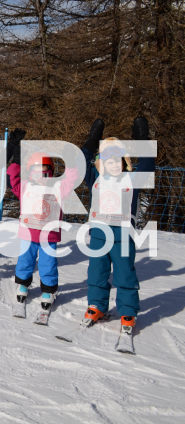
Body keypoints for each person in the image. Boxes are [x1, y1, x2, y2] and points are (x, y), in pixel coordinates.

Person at [81, 117, 154, 342]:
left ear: (124, 162)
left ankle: (128, 312)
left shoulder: (132, 179)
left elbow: (148, 164)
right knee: (97, 272)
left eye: (118, 161)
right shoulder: (95, 177)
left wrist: (142, 140)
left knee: (125, 275)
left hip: (123, 237)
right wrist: (93, 140)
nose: (114, 165)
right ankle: (97, 305)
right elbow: (80, 161)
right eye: (109, 161)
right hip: (99, 235)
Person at [6, 129, 79, 312]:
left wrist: (71, 163)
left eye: (45, 172)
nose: (41, 177)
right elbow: (12, 179)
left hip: (49, 236)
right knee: (25, 261)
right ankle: (23, 283)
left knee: (48, 264)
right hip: (28, 234)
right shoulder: (25, 187)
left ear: (51, 172)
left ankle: (48, 290)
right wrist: (16, 159)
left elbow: (71, 180)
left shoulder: (58, 188)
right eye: (36, 172)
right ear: (30, 173)